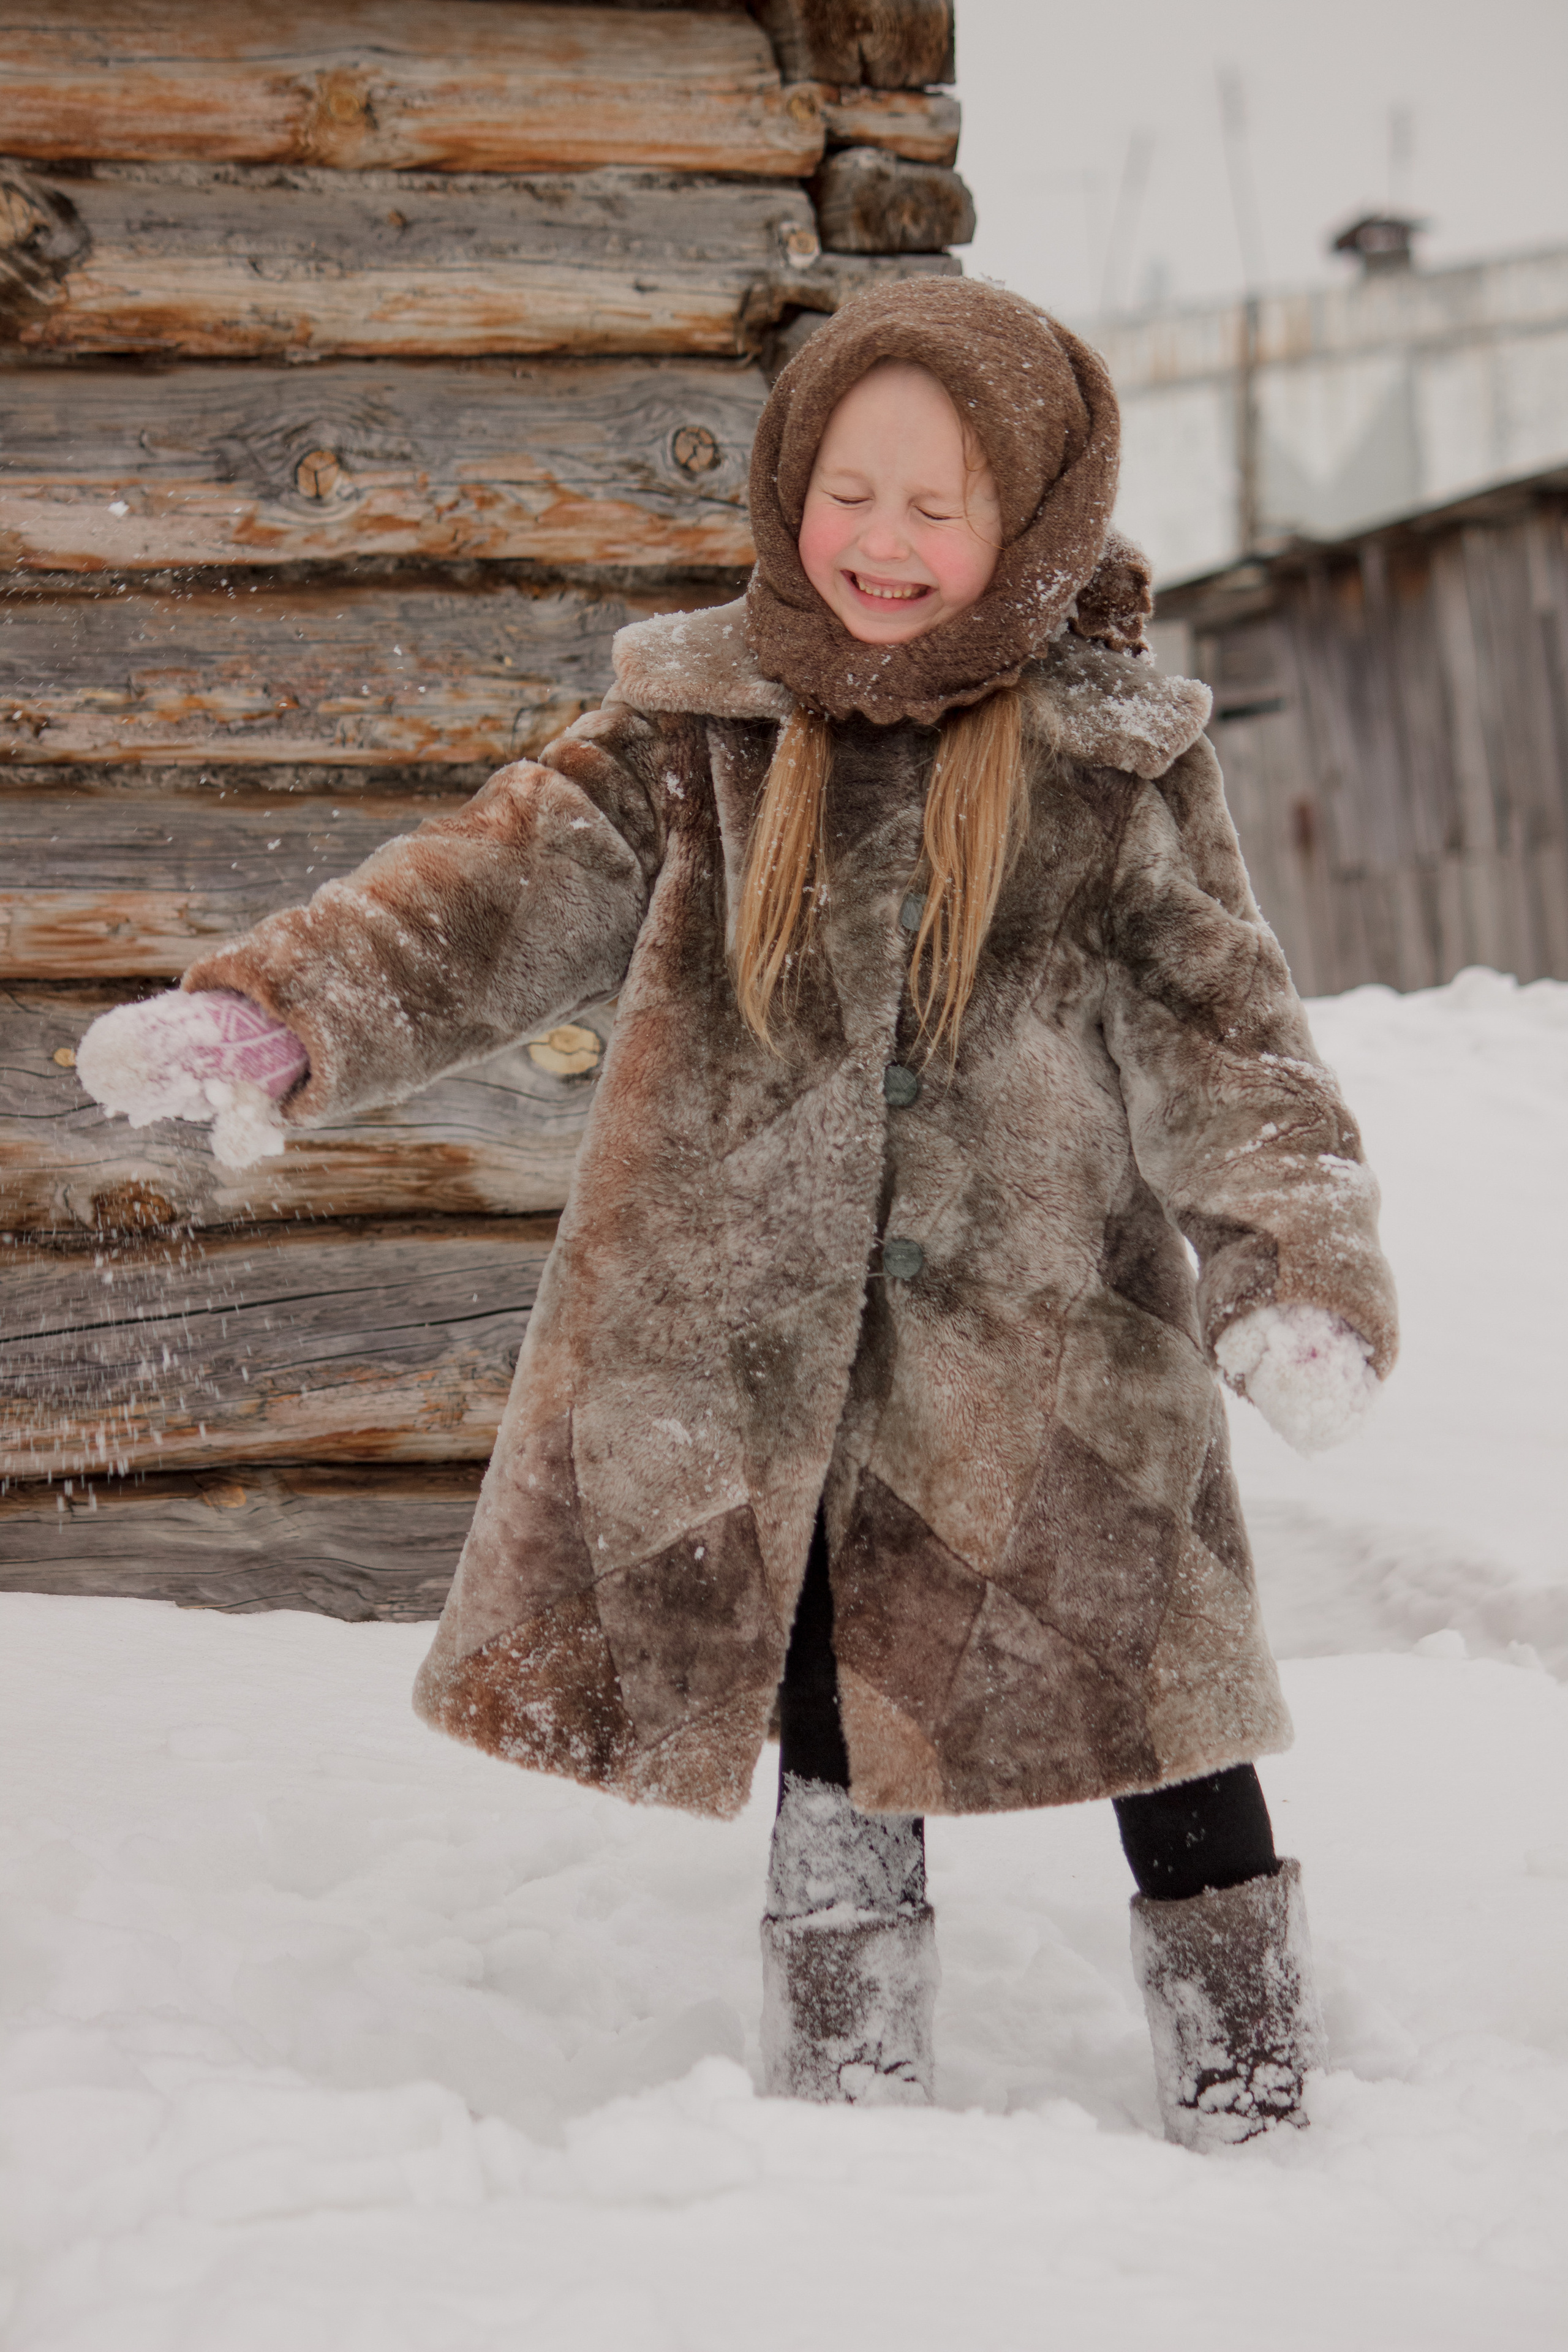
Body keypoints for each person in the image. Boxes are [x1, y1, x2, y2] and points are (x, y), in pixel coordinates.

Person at [78, 278, 1396, 2149]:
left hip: (1051, 1364)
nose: (884, 541)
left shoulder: (1112, 764)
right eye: (852, 491)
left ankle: (1256, 2098)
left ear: (1028, 516)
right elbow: (484, 894)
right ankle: (843, 2123)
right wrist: (282, 1010)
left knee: (1172, 1727)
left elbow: (1229, 1038)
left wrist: (1299, 1267)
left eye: (939, 507)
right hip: (754, 1352)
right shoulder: (698, 730)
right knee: (836, 1734)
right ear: (792, 485)